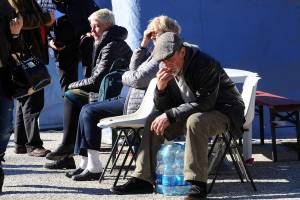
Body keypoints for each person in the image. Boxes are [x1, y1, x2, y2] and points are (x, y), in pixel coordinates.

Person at [110, 32, 245, 200]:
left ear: (182, 52)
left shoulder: (205, 64)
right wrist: (161, 89)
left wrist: (172, 114)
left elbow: (206, 103)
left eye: (170, 58)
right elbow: (163, 107)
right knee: (154, 119)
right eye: (163, 60)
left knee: (195, 121)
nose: (167, 64)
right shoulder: (166, 66)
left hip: (225, 110)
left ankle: (197, 185)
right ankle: (142, 178)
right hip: (191, 112)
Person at [63, 15, 182, 181]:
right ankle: (85, 163)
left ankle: (94, 166)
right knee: (85, 109)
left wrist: (125, 75)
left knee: (89, 111)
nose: (152, 35)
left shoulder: (162, 56)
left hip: (137, 105)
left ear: (166, 33)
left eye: (155, 32)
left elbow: (138, 78)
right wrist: (142, 45)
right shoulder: (153, 53)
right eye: (151, 33)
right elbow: (134, 69)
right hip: (129, 98)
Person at [44, 8, 132, 169]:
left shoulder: (110, 44)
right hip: (108, 90)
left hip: (113, 94)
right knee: (74, 98)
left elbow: (97, 80)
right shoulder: (104, 41)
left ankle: (70, 148)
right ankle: (79, 156)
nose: (92, 30)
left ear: (108, 26)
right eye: (91, 26)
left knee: (71, 95)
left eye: (96, 26)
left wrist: (71, 84)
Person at [9, 0, 55, 157]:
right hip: (25, 54)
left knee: (24, 99)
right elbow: (20, 21)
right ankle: (33, 145)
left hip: (29, 53)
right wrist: (45, 18)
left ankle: (20, 143)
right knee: (33, 100)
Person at [49, 0, 99, 93]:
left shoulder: (84, 2)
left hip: (85, 45)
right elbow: (42, 26)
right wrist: (49, 41)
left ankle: (92, 103)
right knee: (67, 88)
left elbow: (98, 16)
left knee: (92, 80)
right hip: (62, 49)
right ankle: (71, 105)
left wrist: (91, 31)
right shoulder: (46, 3)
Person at [0, 0, 23, 192]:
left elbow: (17, 49)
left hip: (2, 76)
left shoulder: (5, 7)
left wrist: (16, 34)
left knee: (5, 126)